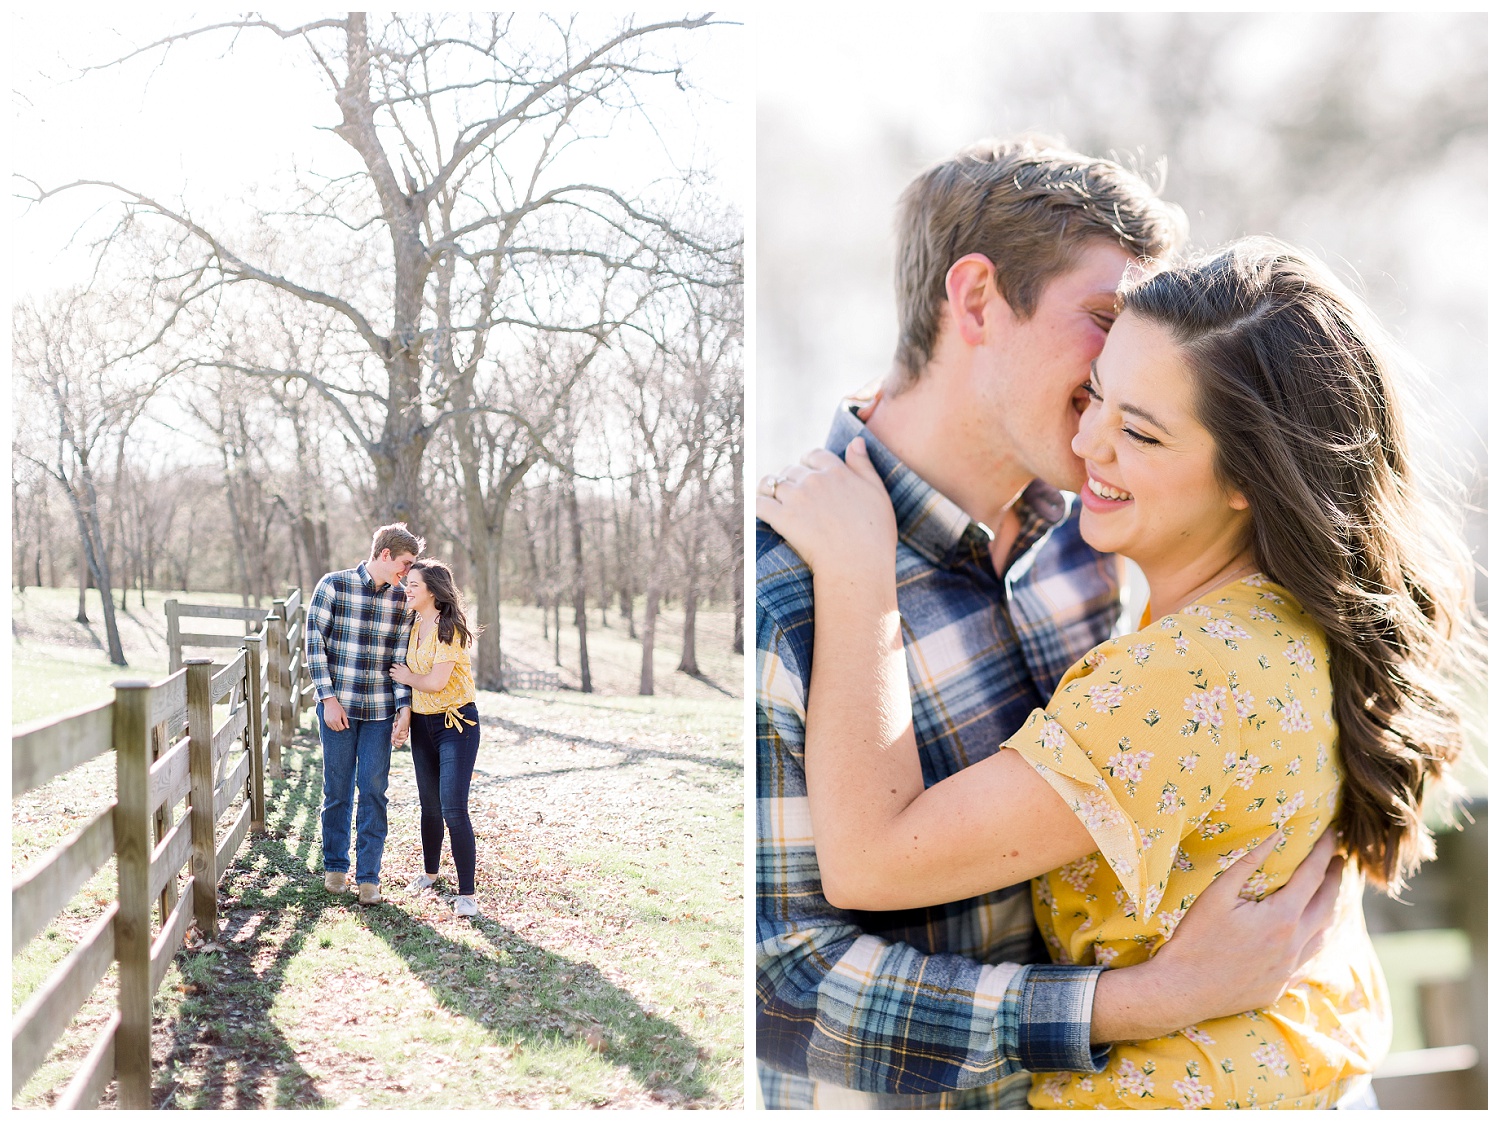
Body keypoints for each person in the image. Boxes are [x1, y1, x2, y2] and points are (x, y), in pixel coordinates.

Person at [758, 238, 1479, 1108]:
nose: (1088, 441)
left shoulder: (1185, 675)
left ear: (1249, 476)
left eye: (1139, 431)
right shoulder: (1276, 619)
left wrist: (857, 575)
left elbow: (873, 861)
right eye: (1097, 394)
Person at [305, 523, 422, 906]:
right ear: (385, 555)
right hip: (338, 710)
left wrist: (403, 707)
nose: (408, 572)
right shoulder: (333, 586)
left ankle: (369, 876)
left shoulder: (402, 601)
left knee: (373, 791)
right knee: (336, 789)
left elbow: (400, 659)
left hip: (378, 713)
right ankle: (335, 866)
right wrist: (327, 699)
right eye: (405, 563)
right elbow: (314, 645)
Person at [389, 559, 483, 918]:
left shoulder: (450, 628)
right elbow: (419, 688)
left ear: (432, 590)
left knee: (452, 807)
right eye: (406, 583)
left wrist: (405, 675)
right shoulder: (414, 624)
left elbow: (435, 682)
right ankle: (429, 874)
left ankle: (467, 895)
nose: (407, 589)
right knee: (428, 804)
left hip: (456, 724)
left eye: (413, 585)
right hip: (424, 725)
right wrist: (406, 714)